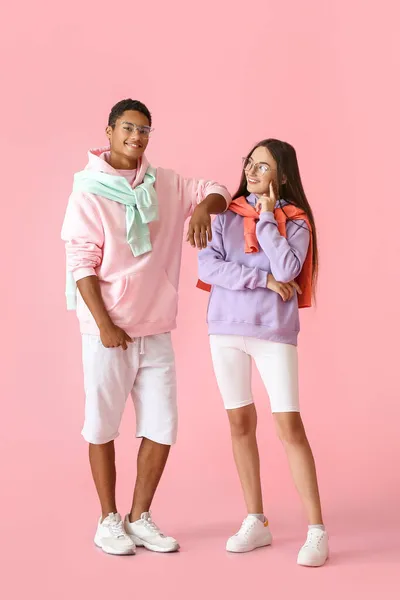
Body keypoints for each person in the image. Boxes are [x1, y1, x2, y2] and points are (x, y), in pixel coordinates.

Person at [61, 98, 231, 556]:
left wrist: (202, 210)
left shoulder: (167, 184)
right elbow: (80, 263)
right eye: (129, 129)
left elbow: (217, 189)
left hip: (155, 328)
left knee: (161, 426)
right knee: (101, 426)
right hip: (108, 331)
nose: (137, 138)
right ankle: (107, 520)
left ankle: (139, 517)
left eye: (145, 131)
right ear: (110, 131)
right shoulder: (89, 192)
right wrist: (104, 325)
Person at [197, 139, 328, 567]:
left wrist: (269, 217)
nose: (252, 171)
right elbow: (207, 267)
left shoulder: (296, 220)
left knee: (289, 425)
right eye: (249, 163)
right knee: (239, 422)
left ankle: (316, 531)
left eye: (263, 166)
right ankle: (256, 520)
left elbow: (289, 269)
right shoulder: (225, 213)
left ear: (283, 176)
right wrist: (264, 281)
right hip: (225, 331)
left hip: (273, 332)